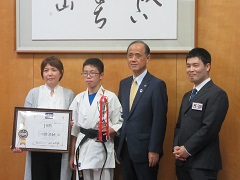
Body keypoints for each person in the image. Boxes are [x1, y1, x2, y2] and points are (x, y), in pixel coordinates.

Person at [11, 56, 75, 180]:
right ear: (42, 73)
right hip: (37, 151)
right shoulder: (34, 93)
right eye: (46, 70)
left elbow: (73, 123)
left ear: (61, 72)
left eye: (54, 69)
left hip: (60, 151)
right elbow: (24, 122)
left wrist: (71, 123)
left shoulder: (69, 94)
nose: (50, 74)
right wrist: (19, 142)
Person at [173, 48, 229, 180]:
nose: (191, 69)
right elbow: (179, 126)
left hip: (203, 165)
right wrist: (176, 147)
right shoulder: (187, 96)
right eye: (188, 66)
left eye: (195, 65)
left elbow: (209, 128)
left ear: (207, 66)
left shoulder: (217, 94)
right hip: (182, 163)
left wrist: (186, 150)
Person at [117, 40, 168, 180]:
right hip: (125, 149)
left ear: (148, 58)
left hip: (146, 151)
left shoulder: (156, 85)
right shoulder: (124, 84)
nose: (133, 59)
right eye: (130, 55)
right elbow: (121, 115)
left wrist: (154, 149)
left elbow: (159, 120)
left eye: (138, 55)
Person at [69, 58, 123, 180]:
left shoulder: (110, 97)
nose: (88, 76)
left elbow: (119, 122)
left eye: (92, 73)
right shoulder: (78, 99)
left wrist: (108, 130)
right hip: (82, 147)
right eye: (85, 73)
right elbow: (74, 130)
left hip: (102, 146)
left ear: (101, 75)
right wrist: (72, 155)